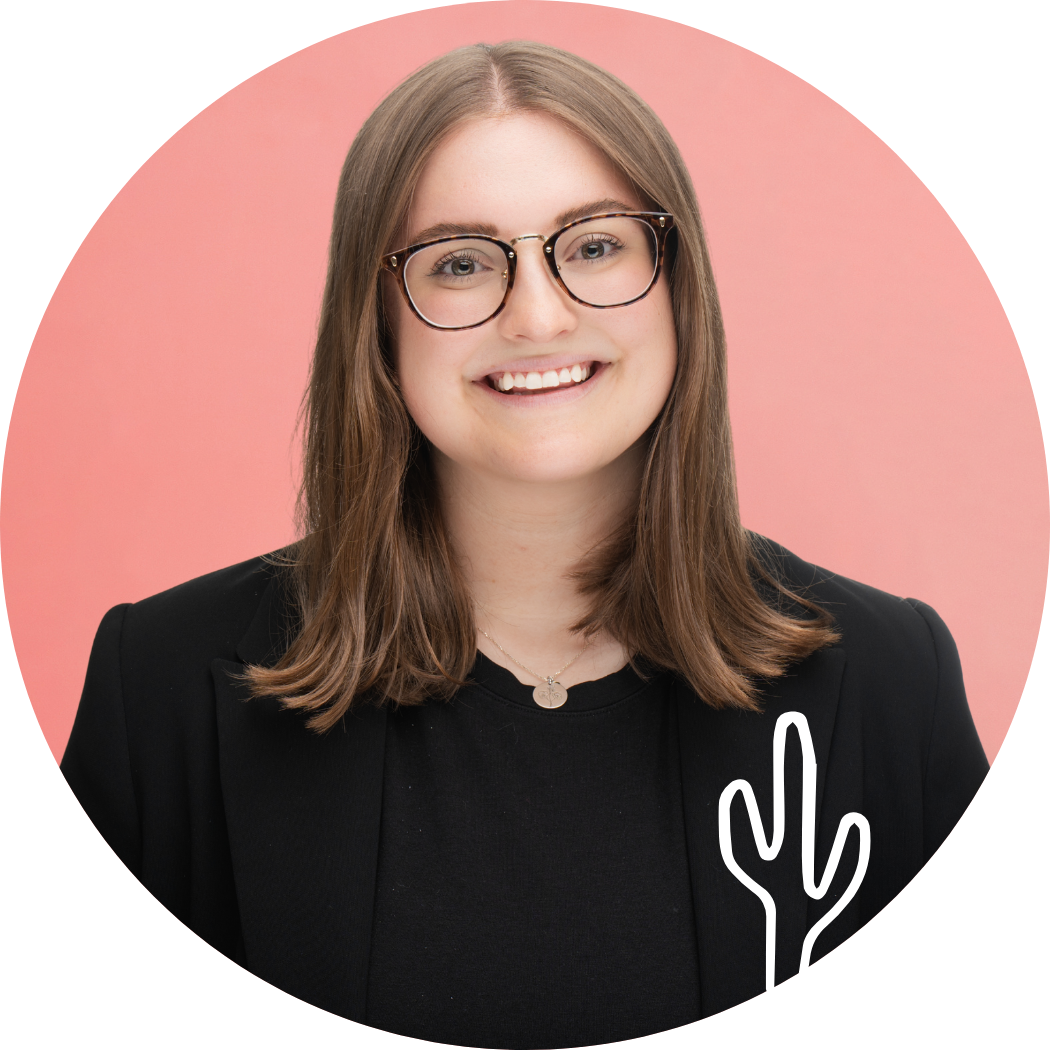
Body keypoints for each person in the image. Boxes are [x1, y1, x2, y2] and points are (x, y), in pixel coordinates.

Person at [61, 41, 988, 1046]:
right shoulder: (160, 691)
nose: (538, 316)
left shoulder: (891, 684)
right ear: (377, 323)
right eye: (460, 263)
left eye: (595, 246)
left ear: (677, 286)